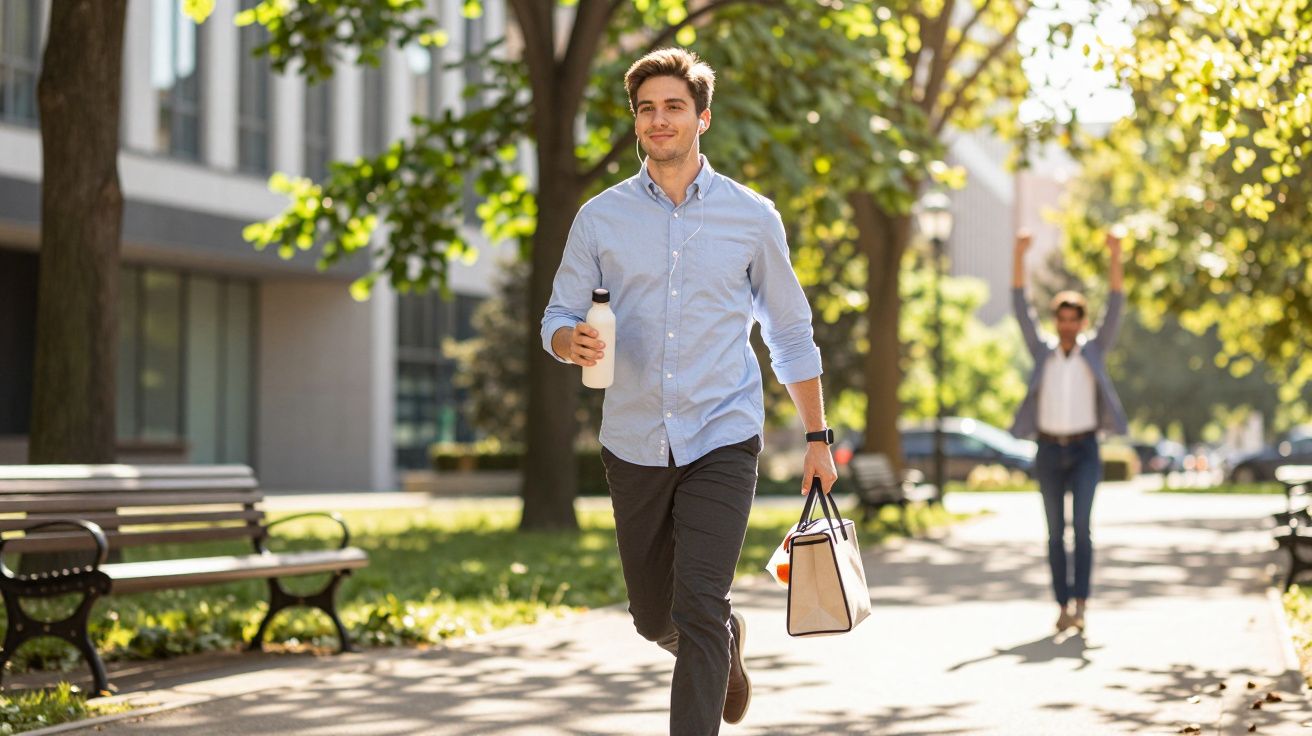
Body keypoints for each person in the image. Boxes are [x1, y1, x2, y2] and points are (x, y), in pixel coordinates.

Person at [540, 47, 837, 735]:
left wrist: (819, 439)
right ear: (637, 123)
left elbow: (790, 335)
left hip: (722, 436)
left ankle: (709, 649)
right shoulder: (599, 219)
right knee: (655, 618)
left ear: (702, 117)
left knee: (699, 602)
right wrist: (568, 341)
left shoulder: (752, 217)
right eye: (647, 109)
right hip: (634, 440)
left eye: (673, 106)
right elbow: (558, 315)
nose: (659, 119)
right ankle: (724, 647)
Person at [1011, 228, 1128, 633]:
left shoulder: (1093, 350)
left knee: (1083, 529)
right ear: (1055, 321)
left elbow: (1116, 305)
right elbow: (1019, 307)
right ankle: (1062, 605)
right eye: (1060, 319)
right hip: (1047, 450)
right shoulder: (1042, 352)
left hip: (1084, 451)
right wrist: (1019, 255)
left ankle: (1082, 603)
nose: (1065, 326)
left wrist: (1115, 255)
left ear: (1081, 322)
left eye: (1072, 319)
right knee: (1054, 533)